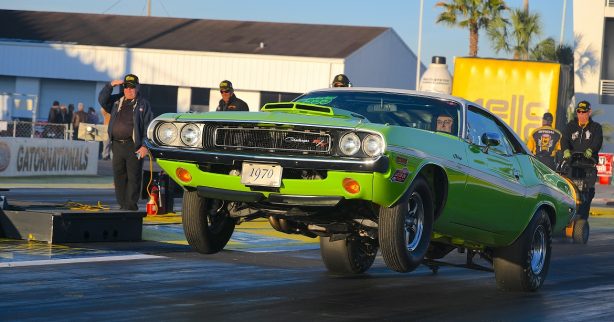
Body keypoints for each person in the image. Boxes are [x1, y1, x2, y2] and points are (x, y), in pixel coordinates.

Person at [99, 73, 153, 211]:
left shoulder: (143, 104)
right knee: (119, 176)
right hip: (117, 145)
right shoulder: (117, 101)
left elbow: (149, 127)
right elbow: (102, 100)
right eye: (126, 87)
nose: (129, 90)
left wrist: (145, 146)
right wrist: (110, 86)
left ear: (137, 88)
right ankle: (122, 205)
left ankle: (131, 206)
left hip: (134, 147)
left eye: (132, 87)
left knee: (134, 177)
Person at [561, 100, 603, 220]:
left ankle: (582, 220)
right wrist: (566, 150)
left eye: (584, 112)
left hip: (588, 166)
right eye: (579, 112)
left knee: (587, 194)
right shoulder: (571, 126)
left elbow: (598, 141)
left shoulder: (596, 128)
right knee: (569, 192)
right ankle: (566, 219)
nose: (581, 114)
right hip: (573, 165)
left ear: (589, 112)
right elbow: (564, 140)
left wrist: (591, 150)